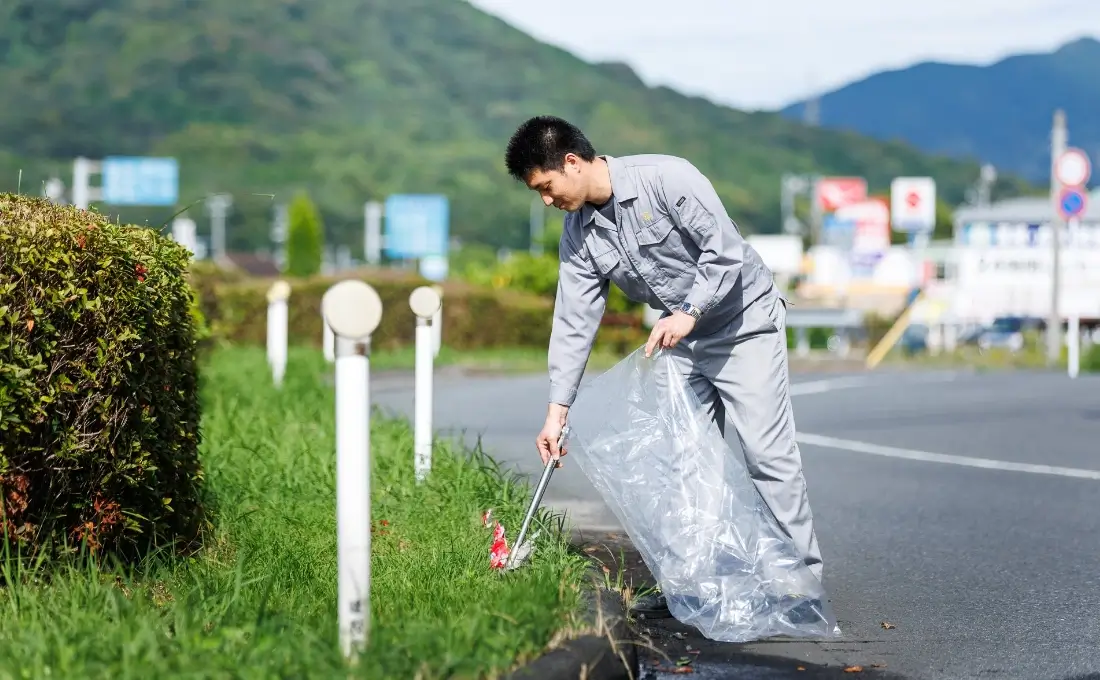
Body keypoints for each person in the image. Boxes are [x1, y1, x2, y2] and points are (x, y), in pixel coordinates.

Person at [503, 115, 824, 618]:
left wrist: (689, 312)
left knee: (767, 455)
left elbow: (725, 252)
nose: (546, 201)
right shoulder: (579, 233)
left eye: (546, 187)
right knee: (683, 459)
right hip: (680, 339)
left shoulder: (667, 179)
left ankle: (799, 588)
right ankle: (698, 587)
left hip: (742, 324)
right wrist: (556, 410)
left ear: (570, 162)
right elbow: (574, 320)